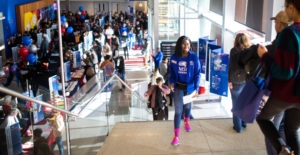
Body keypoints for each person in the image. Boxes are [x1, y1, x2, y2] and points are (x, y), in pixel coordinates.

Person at [256, 1, 300, 154]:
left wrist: (264, 56)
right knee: (292, 130)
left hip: (287, 93)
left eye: (285, 7)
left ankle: (282, 149)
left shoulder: (289, 33)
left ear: (291, 8)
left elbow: (283, 71)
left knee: (262, 118)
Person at [264, 10, 292, 155]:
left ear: (280, 24)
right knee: (283, 126)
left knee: (268, 124)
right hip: (292, 94)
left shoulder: (283, 39)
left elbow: (277, 66)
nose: (274, 25)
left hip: (282, 92)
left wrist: (263, 53)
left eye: (275, 22)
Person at [169, 36, 200, 145]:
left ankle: (186, 120)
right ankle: (176, 137)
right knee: (178, 111)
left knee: (187, 107)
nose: (186, 46)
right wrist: (171, 83)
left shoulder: (194, 58)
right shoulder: (174, 57)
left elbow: (197, 74)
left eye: (188, 44)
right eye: (184, 44)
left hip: (190, 88)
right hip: (178, 88)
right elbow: (171, 73)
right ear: (179, 45)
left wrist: (196, 88)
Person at [228, 33, 252, 133]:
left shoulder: (234, 51)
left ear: (236, 40)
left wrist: (229, 80)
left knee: (236, 104)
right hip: (247, 80)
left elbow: (232, 67)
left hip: (236, 81)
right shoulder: (250, 51)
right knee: (245, 103)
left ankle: (237, 127)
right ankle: (244, 123)